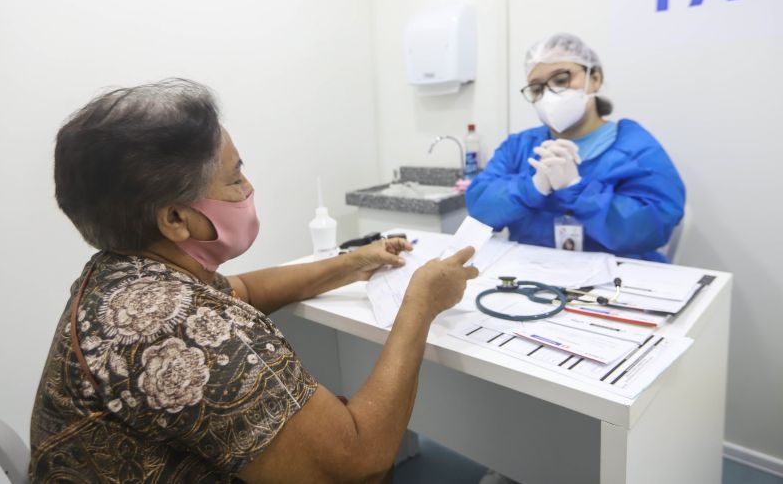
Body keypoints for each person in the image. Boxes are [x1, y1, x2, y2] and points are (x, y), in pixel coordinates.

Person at [30, 79, 478, 483]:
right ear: (174, 219)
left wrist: (351, 263)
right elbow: (358, 462)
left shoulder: (126, 278)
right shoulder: (181, 331)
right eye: (234, 177)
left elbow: (240, 291)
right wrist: (421, 303)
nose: (248, 187)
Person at [467, 33, 685, 263]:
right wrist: (531, 186)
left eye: (561, 80)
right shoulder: (518, 147)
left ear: (595, 78)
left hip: (618, 281)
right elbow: (480, 212)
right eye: (537, 88)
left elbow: (652, 227)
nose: (549, 94)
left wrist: (578, 189)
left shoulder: (635, 149)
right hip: (532, 277)